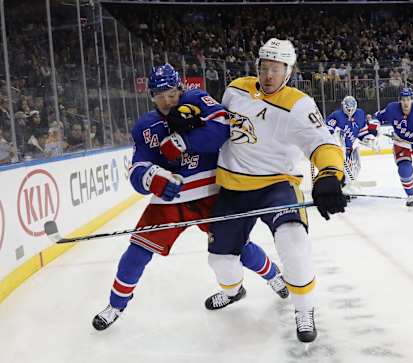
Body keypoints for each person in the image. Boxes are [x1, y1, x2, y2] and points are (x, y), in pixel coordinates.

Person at [92, 64, 288, 331]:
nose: (166, 99)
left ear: (180, 88)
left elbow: (223, 130)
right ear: (150, 95)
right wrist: (152, 178)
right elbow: (137, 168)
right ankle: (115, 305)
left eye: (171, 92)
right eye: (159, 94)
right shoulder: (145, 127)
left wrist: (186, 141)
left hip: (210, 193)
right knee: (136, 252)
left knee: (236, 248)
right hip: (171, 201)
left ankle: (274, 276)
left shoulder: (196, 100)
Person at [193, 38, 347, 343]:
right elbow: (216, 125)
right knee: (220, 261)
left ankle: (304, 308)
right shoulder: (236, 89)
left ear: (287, 71)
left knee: (294, 241)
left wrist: (329, 174)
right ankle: (234, 291)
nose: (268, 76)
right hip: (233, 187)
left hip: (276, 185)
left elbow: (322, 143)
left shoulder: (298, 105)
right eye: (264, 68)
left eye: (275, 70)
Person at [326, 96, 379, 193]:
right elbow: (328, 127)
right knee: (342, 168)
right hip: (340, 148)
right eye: (348, 108)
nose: (350, 111)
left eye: (351, 108)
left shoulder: (360, 114)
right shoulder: (336, 115)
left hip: (353, 146)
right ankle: (343, 186)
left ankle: (349, 184)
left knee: (357, 167)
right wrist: (333, 134)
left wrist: (370, 139)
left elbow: (362, 131)